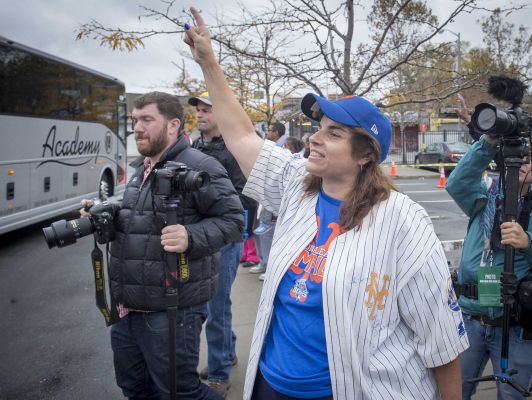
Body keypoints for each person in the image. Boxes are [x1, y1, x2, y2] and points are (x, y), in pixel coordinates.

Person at [184, 9, 469, 400]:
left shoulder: (402, 220)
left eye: (333, 132)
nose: (315, 139)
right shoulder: (296, 184)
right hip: (271, 385)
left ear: (365, 154)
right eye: (318, 128)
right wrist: (209, 64)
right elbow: (242, 135)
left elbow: (439, 336)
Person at [82, 91, 244, 400]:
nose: (137, 128)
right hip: (128, 308)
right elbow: (141, 222)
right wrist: (103, 219)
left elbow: (233, 220)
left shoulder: (200, 166)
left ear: (172, 125)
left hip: (173, 309)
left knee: (180, 392)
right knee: (135, 389)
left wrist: (191, 237)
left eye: (146, 120)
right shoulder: (141, 168)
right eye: (134, 121)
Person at [446, 133, 532, 400]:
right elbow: (457, 182)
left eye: (530, 161)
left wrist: (528, 243)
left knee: (511, 396)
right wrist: (488, 142)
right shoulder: (484, 200)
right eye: (522, 159)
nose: (524, 164)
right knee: (454, 391)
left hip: (514, 325)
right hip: (469, 318)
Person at [189, 92, 257, 397]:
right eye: (198, 110)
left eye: (206, 110)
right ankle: (226, 354)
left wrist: (218, 212)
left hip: (225, 237)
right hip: (202, 236)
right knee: (211, 303)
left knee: (216, 304)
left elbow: (246, 194)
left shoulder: (233, 149)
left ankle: (218, 372)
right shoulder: (195, 147)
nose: (200, 114)